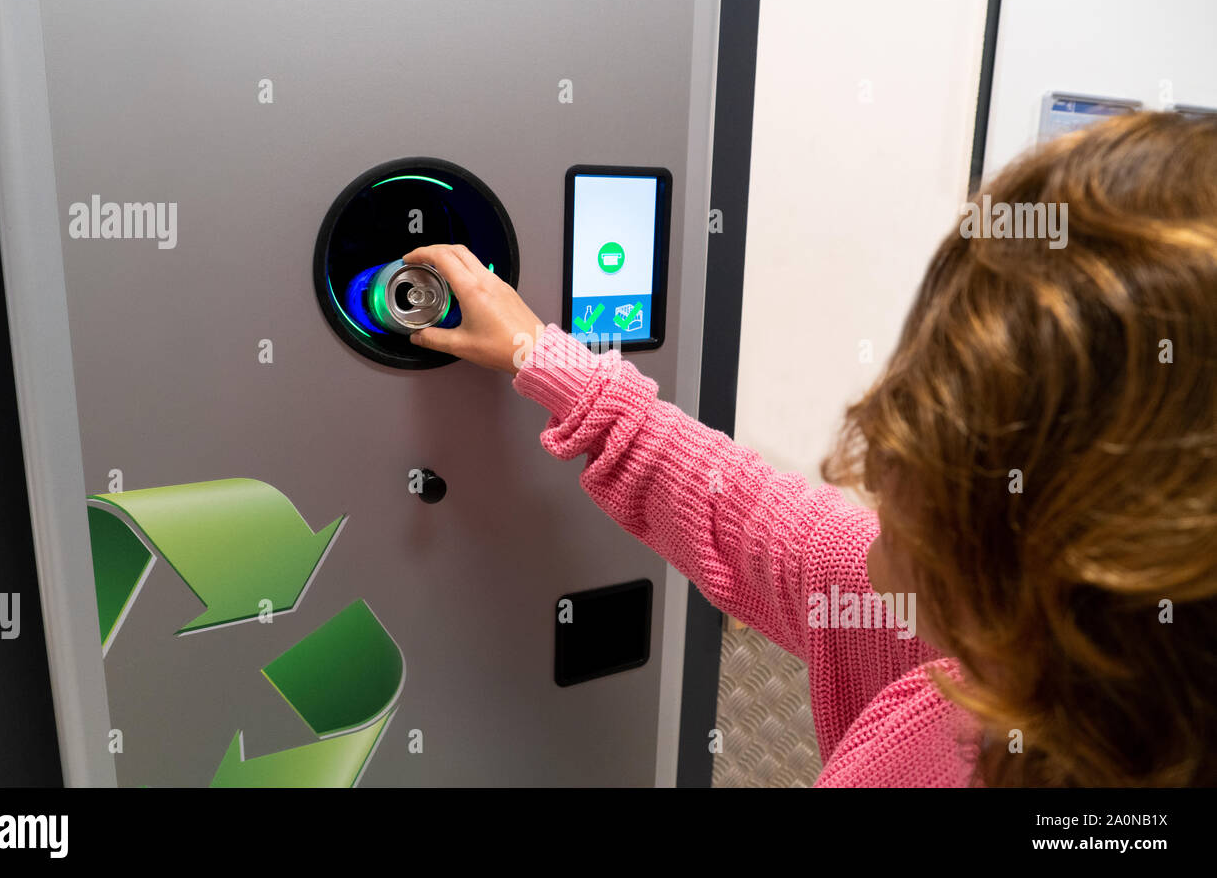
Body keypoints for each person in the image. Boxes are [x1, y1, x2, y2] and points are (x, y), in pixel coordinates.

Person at [403, 111, 1217, 786]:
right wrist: (545, 358)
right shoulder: (1018, 651)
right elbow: (769, 529)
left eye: (946, 425)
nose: (868, 460)